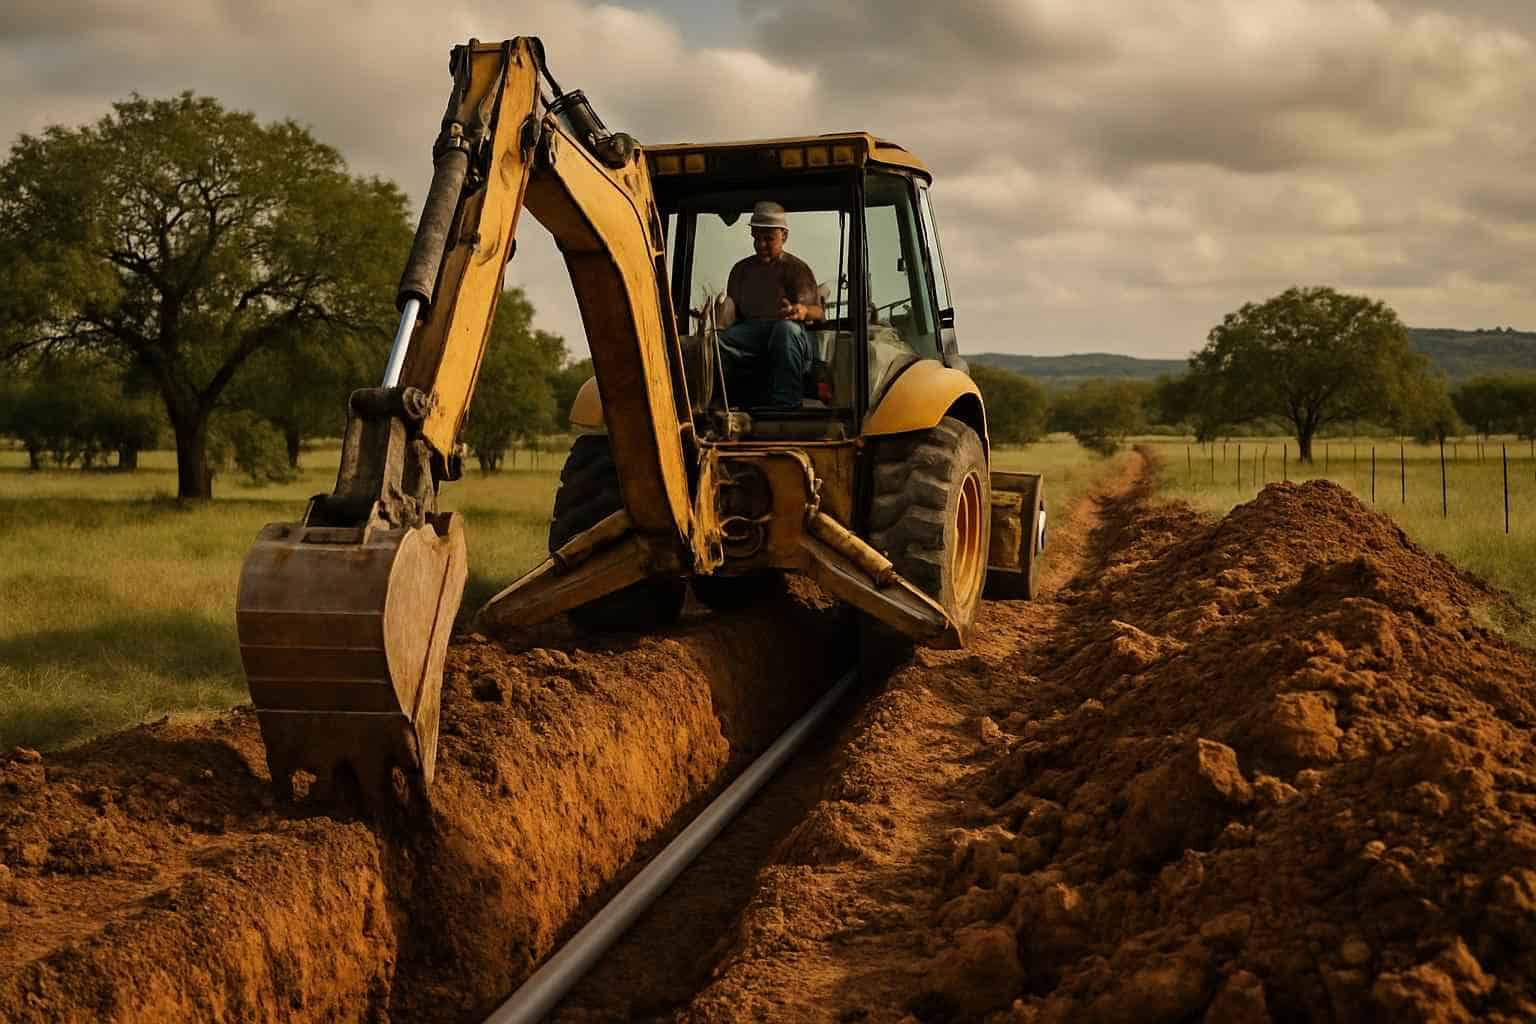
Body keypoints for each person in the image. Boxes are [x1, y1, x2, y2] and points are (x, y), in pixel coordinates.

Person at [719, 201, 824, 408]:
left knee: (785, 330)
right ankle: (721, 401)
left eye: (768, 239)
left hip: (790, 334)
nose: (761, 245)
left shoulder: (796, 270)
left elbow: (818, 312)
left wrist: (802, 311)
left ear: (784, 236)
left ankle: (787, 405)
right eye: (757, 239)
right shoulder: (740, 271)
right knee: (718, 340)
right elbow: (732, 316)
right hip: (752, 332)